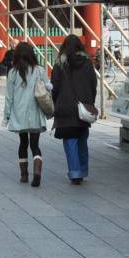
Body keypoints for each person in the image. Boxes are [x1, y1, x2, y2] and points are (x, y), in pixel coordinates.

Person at [51, 35, 98, 184]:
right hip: (83, 107)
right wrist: (89, 101)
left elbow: (55, 86)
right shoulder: (87, 63)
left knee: (70, 140)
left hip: (64, 107)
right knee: (82, 139)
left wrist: (56, 102)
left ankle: (75, 172)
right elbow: (93, 84)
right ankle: (83, 170)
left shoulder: (60, 64)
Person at [3, 42, 49, 187]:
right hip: (35, 113)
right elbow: (47, 89)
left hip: (19, 114)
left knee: (23, 143)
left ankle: (24, 175)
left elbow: (9, 97)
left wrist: (6, 116)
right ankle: (37, 169)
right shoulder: (40, 70)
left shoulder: (13, 73)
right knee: (35, 145)